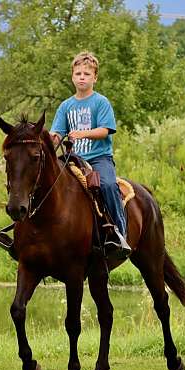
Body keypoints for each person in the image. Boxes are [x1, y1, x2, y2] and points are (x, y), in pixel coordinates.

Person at [50, 51, 131, 259]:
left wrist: (82, 133)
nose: (82, 77)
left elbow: (105, 130)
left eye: (87, 73)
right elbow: (58, 133)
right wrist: (50, 139)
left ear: (95, 77)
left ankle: (119, 234)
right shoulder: (65, 106)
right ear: (72, 77)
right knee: (48, 182)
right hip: (73, 159)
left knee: (107, 185)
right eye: (78, 73)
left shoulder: (100, 102)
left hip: (98, 158)